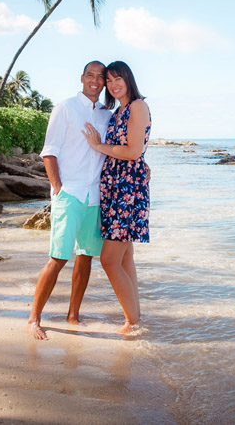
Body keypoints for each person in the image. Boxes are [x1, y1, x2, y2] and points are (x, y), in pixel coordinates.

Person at [27, 61, 113, 340]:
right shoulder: (65, 107)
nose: (95, 81)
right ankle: (34, 318)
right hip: (70, 194)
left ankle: (73, 315)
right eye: (91, 75)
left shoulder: (106, 114)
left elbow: (113, 149)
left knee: (86, 256)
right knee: (58, 258)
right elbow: (49, 152)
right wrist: (58, 189)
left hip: (95, 197)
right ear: (82, 78)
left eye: (101, 77)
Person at [83, 60, 151, 336]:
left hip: (126, 187)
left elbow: (134, 151)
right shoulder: (119, 110)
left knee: (109, 259)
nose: (113, 84)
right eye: (109, 81)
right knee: (124, 257)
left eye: (117, 78)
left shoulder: (137, 106)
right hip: (114, 184)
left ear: (128, 79)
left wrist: (98, 146)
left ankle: (132, 322)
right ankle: (134, 318)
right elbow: (134, 152)